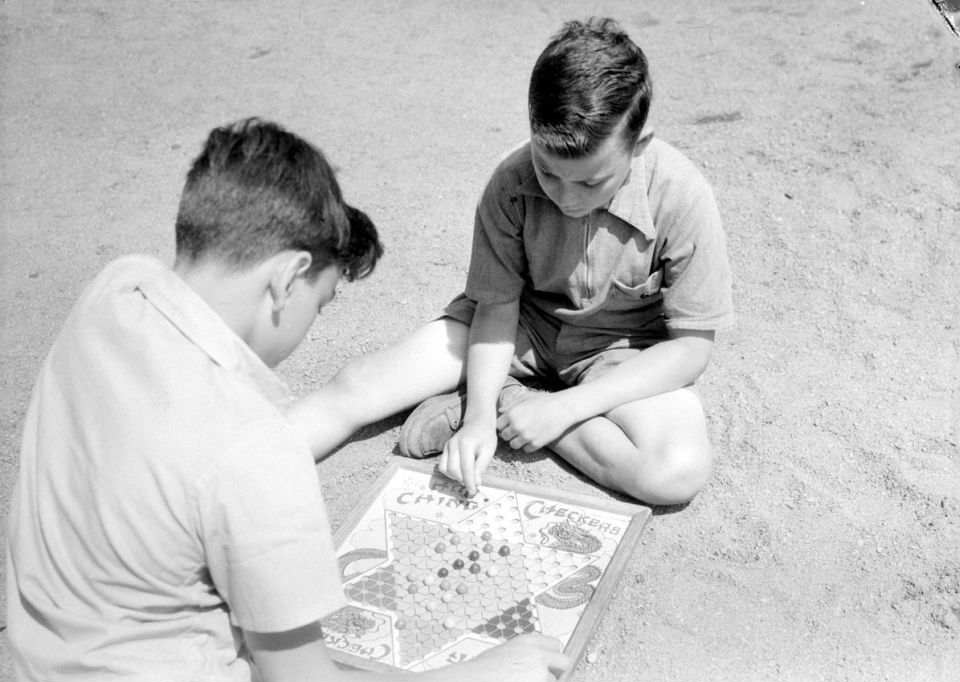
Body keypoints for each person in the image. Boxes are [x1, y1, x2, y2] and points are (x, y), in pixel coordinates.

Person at [6, 117, 569, 682]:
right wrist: (481, 680)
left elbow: (189, 457)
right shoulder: (255, 450)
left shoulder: (117, 289)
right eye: (320, 305)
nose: (308, 328)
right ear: (288, 278)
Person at [288, 17, 734, 507]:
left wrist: (562, 408)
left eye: (590, 182)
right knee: (361, 386)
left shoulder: (682, 194)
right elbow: (496, 309)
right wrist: (478, 421)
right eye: (547, 170)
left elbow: (691, 349)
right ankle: (236, 470)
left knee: (675, 473)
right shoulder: (510, 180)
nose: (565, 196)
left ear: (640, 144)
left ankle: (516, 400)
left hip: (621, 355)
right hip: (518, 330)